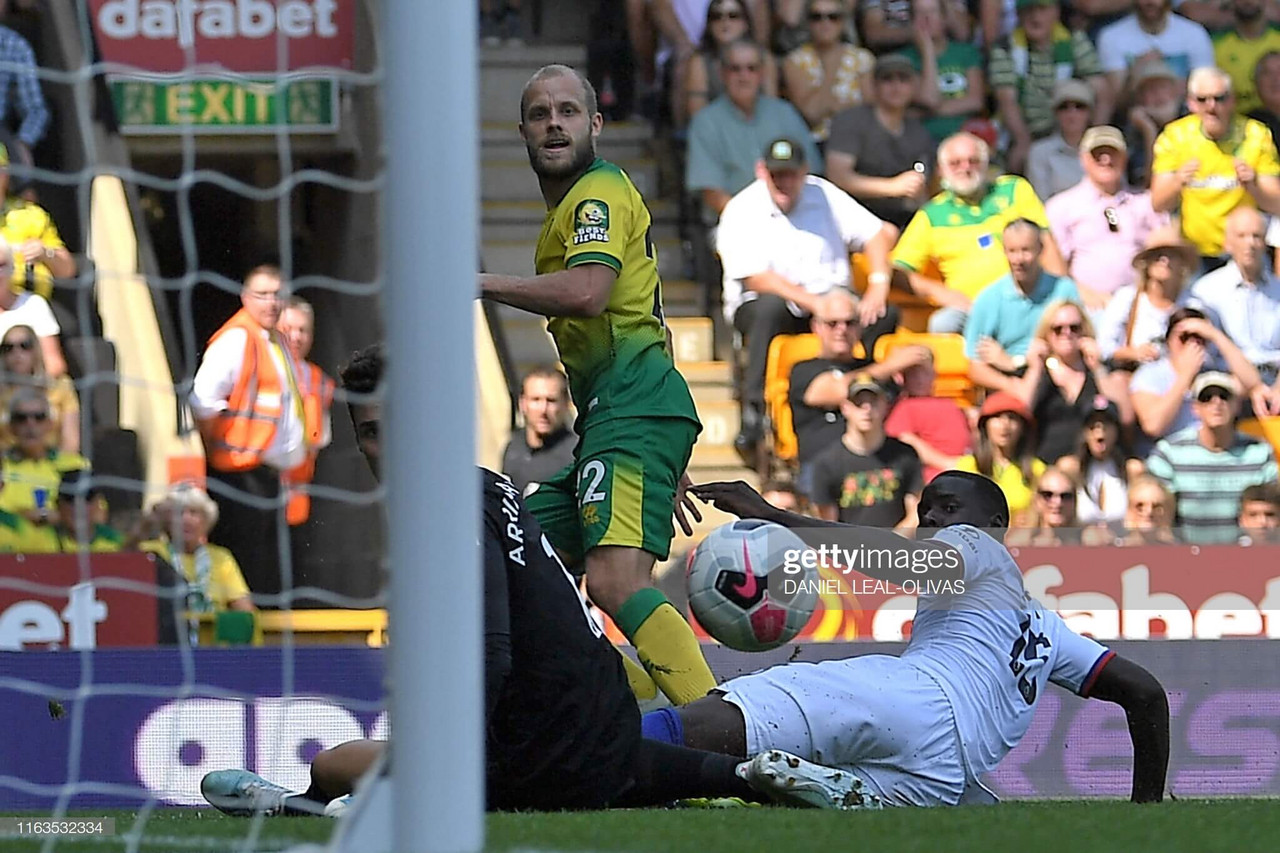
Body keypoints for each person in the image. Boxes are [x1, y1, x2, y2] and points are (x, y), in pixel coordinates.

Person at [200, 344, 873, 817]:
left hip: (532, 748)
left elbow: (493, 649)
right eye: (371, 433)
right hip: (603, 727)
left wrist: (449, 754)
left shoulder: (446, 505)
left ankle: (317, 803)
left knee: (335, 761)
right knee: (639, 773)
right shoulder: (493, 486)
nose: (387, 446)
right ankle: (752, 775)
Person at [672, 473, 1170, 807]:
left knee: (703, 727)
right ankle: (837, 792)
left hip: (920, 698)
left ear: (996, 526)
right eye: (926, 511)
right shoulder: (1050, 631)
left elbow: (911, 564)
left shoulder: (980, 547)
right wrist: (1145, 809)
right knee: (786, 795)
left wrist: (776, 515)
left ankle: (615, 746)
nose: (931, 520)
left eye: (948, 508)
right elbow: (1144, 693)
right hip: (950, 777)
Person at [480, 65, 715, 706]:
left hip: (632, 407)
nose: (553, 122)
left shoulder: (596, 195)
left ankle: (726, 744)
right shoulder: (571, 210)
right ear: (523, 132)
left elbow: (587, 293)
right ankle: (623, 710)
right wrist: (658, 454)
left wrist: (477, 280)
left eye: (568, 111)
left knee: (615, 582)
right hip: (622, 418)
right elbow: (644, 315)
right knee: (512, 558)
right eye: (538, 113)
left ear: (596, 125)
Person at [717, 141, 897, 457]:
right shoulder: (741, 208)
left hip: (833, 299)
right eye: (777, 175)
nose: (784, 183)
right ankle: (754, 412)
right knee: (768, 311)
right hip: (774, 300)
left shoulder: (824, 193)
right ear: (762, 172)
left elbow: (879, 233)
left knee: (883, 313)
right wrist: (817, 305)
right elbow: (754, 276)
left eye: (791, 174)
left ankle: (870, 397)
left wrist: (878, 285)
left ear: (804, 172)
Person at [190, 265, 308, 600]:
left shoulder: (273, 340)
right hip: (240, 474)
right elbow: (202, 402)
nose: (271, 303)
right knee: (248, 565)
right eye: (262, 295)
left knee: (267, 565)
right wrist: (220, 448)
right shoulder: (237, 339)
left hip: (267, 473)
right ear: (245, 297)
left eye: (277, 295)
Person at [891, 132, 1066, 334]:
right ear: (941, 170)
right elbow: (897, 270)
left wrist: (1061, 296)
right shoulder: (931, 215)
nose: (965, 168)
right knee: (942, 324)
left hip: (1027, 299)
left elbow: (1046, 243)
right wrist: (940, 293)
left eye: (972, 161)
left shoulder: (1013, 190)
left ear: (986, 164)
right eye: (955, 163)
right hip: (970, 309)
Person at [1151, 66, 1280, 269]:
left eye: (1219, 98)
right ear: (1190, 103)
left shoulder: (1256, 135)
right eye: (1202, 99)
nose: (1211, 106)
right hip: (1194, 253)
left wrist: (1254, 186)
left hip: (1243, 253)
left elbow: (1277, 204)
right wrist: (1177, 182)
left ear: (1232, 100)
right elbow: (1158, 203)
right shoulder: (1174, 136)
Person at [685, 39, 819, 221]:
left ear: (762, 73)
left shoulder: (785, 113)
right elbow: (712, 194)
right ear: (722, 74)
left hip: (794, 218)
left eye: (751, 68)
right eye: (735, 69)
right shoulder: (706, 122)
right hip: (733, 223)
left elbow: (810, 172)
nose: (744, 76)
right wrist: (754, 222)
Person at [1046, 125, 1169, 317]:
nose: (1106, 159)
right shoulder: (1061, 206)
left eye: (1113, 153)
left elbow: (1165, 249)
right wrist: (1081, 293)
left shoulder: (1145, 203)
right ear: (1083, 159)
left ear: (1125, 157)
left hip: (1141, 307)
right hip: (1087, 308)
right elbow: (1053, 265)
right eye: (1098, 154)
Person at [1145, 371, 1278, 544]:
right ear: (1195, 408)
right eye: (1206, 398)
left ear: (1237, 405)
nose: (1217, 403)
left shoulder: (1259, 452)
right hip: (1185, 557)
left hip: (1244, 558)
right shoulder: (1169, 452)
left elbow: (1273, 512)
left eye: (1224, 396)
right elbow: (1156, 515)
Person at [988, 0, 1111, 174]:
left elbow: (1103, 92)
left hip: (1070, 132)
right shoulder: (1006, 46)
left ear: (1056, 12)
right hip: (1023, 131)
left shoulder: (1073, 40)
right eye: (1028, 10)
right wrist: (1023, 141)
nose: (1035, 17)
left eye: (1042, 9)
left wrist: (1095, 137)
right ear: (1018, 15)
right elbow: (1007, 100)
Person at [964, 219, 1080, 394]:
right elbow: (975, 366)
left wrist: (1012, 361)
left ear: (1041, 249)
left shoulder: (1064, 289)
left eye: (1026, 250)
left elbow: (1079, 342)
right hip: (1009, 383)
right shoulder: (988, 299)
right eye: (1012, 251)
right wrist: (1011, 385)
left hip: (1058, 377)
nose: (1018, 259)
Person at [823, 53, 937, 230]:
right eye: (887, 79)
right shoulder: (850, 121)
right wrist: (893, 187)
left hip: (905, 220)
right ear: (874, 86)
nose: (896, 86)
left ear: (914, 86)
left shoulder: (918, 131)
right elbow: (837, 177)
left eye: (903, 79)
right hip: (853, 219)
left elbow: (926, 188)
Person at [809, 373, 923, 528]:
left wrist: (894, 542)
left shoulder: (905, 455)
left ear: (885, 406)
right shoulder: (827, 463)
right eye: (859, 402)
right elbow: (827, 525)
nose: (867, 409)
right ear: (845, 408)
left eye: (873, 402)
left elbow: (916, 513)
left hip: (898, 547)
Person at [1011, 300, 1114, 464]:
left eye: (1074, 328)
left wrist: (1098, 367)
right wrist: (1035, 369)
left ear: (1084, 331)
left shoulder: (1098, 370)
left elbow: (1121, 414)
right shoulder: (1035, 372)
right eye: (1057, 329)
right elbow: (1019, 413)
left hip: (1091, 466)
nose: (1067, 333)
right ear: (1046, 333)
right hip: (1042, 466)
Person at [138, 483, 255, 615]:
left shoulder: (221, 557)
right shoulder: (151, 551)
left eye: (193, 513)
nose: (186, 520)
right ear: (166, 520)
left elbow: (245, 612)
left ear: (206, 521)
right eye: (179, 513)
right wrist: (146, 524)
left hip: (212, 633)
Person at [276, 296, 335, 527]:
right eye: (288, 329)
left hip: (299, 491)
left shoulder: (320, 381)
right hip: (261, 484)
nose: (296, 337)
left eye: (303, 330)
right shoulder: (262, 368)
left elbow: (320, 438)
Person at [781, 0, 873, 145]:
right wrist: (832, 67)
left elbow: (871, 111)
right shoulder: (795, 61)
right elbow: (812, 113)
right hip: (817, 143)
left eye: (833, 17)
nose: (825, 23)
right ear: (808, 22)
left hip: (860, 140)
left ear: (843, 22)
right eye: (817, 17)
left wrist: (832, 107)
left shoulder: (863, 58)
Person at [953, 391, 1045, 522]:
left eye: (1012, 418)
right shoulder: (967, 466)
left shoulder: (1036, 469)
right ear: (985, 426)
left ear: (1023, 428)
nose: (1005, 425)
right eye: (997, 417)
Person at [501, 366, 578, 497]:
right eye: (535, 400)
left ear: (566, 404)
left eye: (551, 401)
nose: (543, 410)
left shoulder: (575, 454)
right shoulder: (513, 445)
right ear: (522, 403)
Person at [0, 323, 77, 453]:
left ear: (36, 350)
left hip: (54, 463)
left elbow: (71, 441)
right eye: (9, 348)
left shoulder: (60, 386)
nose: (17, 353)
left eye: (25, 346)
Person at [1025, 80, 1093, 203]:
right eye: (1064, 107)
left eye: (1079, 107)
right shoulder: (1039, 152)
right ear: (1055, 113)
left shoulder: (1105, 150)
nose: (1072, 114)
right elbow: (1041, 202)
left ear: (1089, 113)